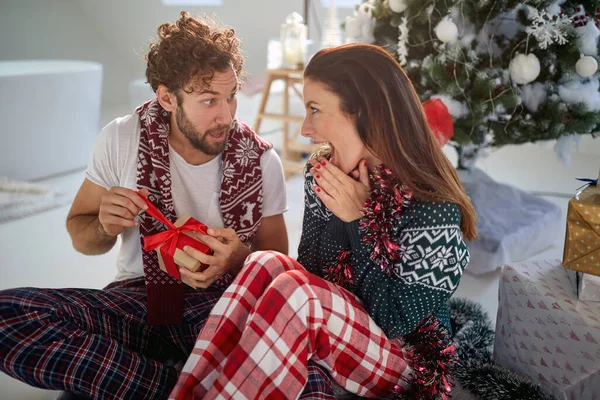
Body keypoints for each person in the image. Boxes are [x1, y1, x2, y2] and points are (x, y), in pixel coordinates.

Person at [0, 12, 335, 400]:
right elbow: (82, 236)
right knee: (10, 315)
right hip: (138, 297)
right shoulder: (122, 138)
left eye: (231, 97)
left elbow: (277, 262)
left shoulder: (261, 160)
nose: (226, 115)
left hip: (223, 304)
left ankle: (140, 382)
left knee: (312, 381)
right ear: (166, 98)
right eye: (208, 100)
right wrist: (105, 226)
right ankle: (177, 387)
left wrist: (237, 258)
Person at [169, 43, 478, 400]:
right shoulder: (324, 174)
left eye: (315, 110)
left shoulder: (432, 207)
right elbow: (312, 274)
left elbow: (394, 322)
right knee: (264, 262)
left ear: (365, 114)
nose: (304, 128)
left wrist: (358, 221)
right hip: (344, 334)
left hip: (408, 364)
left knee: (296, 292)